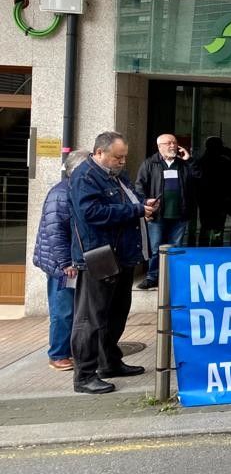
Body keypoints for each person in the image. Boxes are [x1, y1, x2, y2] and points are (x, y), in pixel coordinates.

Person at [69, 131, 157, 394]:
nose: (122, 161)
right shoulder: (85, 177)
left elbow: (129, 201)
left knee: (115, 313)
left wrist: (144, 205)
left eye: (124, 157)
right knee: (91, 318)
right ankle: (84, 375)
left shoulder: (117, 175)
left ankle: (110, 362)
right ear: (99, 153)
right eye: (118, 157)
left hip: (123, 254)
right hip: (100, 256)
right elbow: (91, 213)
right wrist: (137, 210)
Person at [32, 149, 91, 372]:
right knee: (63, 309)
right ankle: (58, 354)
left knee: (73, 307)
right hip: (63, 266)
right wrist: (66, 263)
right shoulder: (61, 193)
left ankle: (69, 351)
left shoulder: (76, 190)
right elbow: (55, 232)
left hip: (73, 262)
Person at [134, 133, 199, 290]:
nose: (173, 146)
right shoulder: (150, 163)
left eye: (175, 143)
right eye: (168, 143)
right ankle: (152, 277)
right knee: (155, 248)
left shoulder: (183, 164)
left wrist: (189, 160)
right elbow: (139, 186)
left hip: (180, 214)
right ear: (159, 146)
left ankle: (174, 277)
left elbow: (199, 178)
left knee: (176, 248)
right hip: (158, 214)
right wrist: (145, 203)